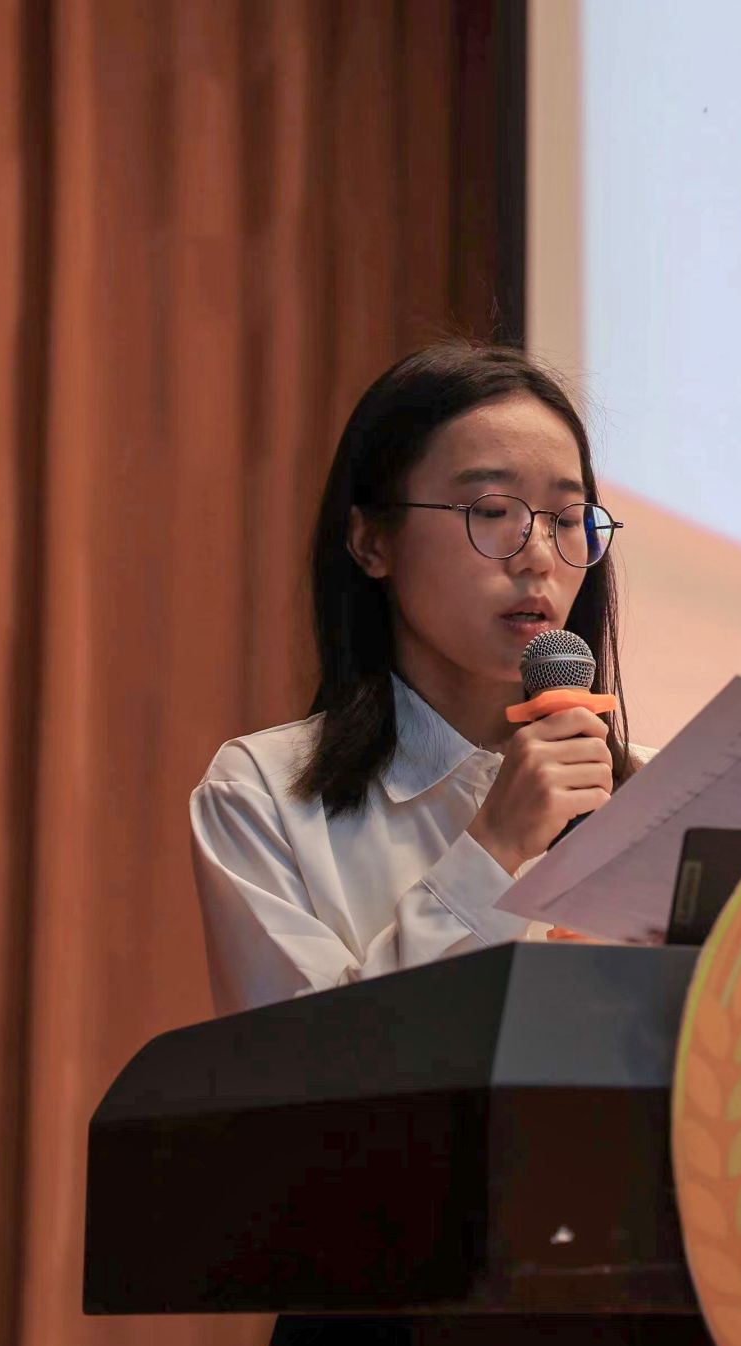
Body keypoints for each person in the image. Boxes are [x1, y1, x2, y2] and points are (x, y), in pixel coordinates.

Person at [190, 340, 640, 1015]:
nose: (539, 557)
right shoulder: (263, 795)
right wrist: (493, 849)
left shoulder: (651, 797)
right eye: (492, 512)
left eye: (568, 519)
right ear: (372, 541)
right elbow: (305, 1064)